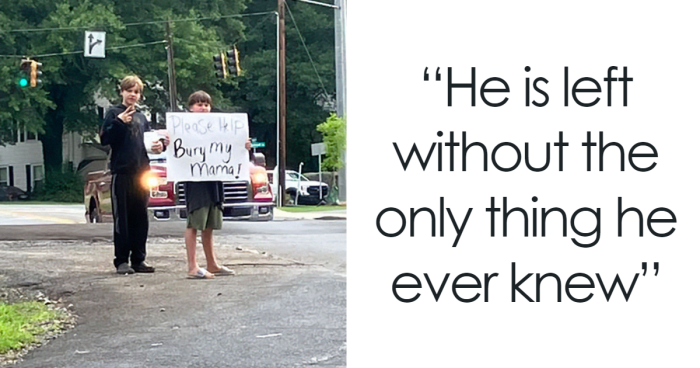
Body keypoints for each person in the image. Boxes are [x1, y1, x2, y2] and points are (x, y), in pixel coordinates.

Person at [179, 90, 250, 279]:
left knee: (210, 223)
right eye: (199, 104)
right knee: (194, 222)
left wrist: (243, 147)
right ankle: (192, 266)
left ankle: (212, 263)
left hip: (214, 179)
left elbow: (231, 147)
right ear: (190, 107)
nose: (203, 108)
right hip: (195, 180)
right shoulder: (183, 128)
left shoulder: (220, 127)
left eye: (206, 104)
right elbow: (174, 149)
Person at [100, 75, 165, 275]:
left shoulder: (142, 117)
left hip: (141, 172)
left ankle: (139, 259)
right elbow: (105, 139)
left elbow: (149, 144)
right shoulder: (113, 113)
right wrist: (119, 122)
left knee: (140, 217)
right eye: (129, 91)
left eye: (136, 92)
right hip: (122, 172)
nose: (133, 95)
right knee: (123, 218)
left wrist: (160, 145)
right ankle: (121, 260)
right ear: (122, 92)